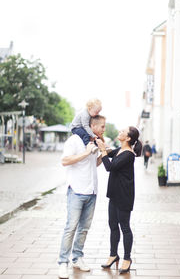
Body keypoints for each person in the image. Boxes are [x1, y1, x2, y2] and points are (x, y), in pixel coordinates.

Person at [58, 115, 106, 279]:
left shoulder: (93, 141)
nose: (104, 130)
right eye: (102, 127)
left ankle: (77, 258)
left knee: (84, 229)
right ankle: (63, 263)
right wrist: (86, 153)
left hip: (92, 192)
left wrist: (103, 153)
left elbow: (94, 164)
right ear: (92, 125)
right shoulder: (74, 141)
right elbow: (65, 161)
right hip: (77, 190)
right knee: (71, 227)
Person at [96, 126, 142, 274]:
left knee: (125, 227)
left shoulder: (129, 154)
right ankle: (113, 255)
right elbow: (110, 154)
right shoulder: (120, 150)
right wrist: (102, 145)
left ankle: (127, 258)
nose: (120, 132)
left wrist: (103, 150)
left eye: (123, 131)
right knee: (113, 225)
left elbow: (110, 166)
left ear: (128, 138)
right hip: (114, 194)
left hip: (124, 196)